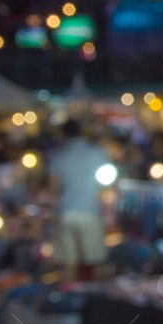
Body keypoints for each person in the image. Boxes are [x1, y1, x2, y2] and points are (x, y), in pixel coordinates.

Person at [49, 120, 109, 280]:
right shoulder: (98, 153)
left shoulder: (59, 156)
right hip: (91, 212)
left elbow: (53, 188)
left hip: (66, 212)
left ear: (63, 135)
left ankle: (69, 299)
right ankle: (97, 300)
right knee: (96, 262)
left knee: (68, 262)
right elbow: (107, 185)